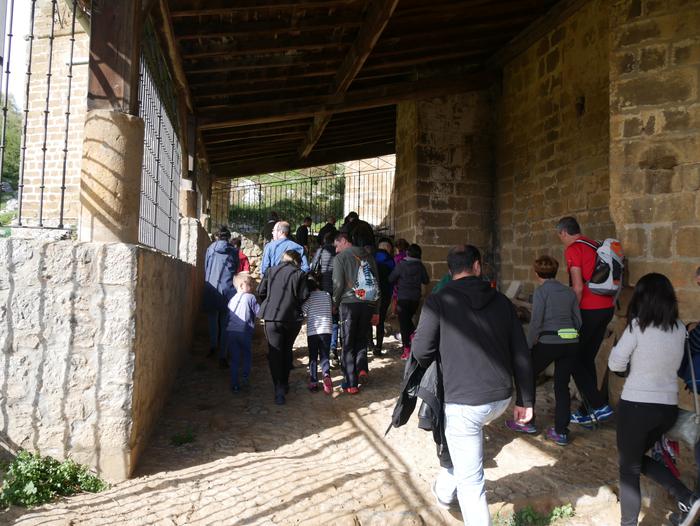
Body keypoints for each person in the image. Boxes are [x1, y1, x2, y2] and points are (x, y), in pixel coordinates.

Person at [412, 245, 534, 524]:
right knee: (464, 449)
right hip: (500, 398)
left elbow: (421, 351)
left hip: (463, 401)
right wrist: (525, 400)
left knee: (471, 481)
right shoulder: (502, 302)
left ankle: (451, 498)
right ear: (477, 267)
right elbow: (521, 353)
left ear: (450, 270)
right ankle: (443, 493)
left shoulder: (438, 301)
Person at [608, 273, 700, 526]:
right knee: (634, 459)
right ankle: (687, 498)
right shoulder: (679, 328)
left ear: (642, 298)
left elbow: (615, 363)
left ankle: (630, 522)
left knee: (629, 468)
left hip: (636, 407)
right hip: (667, 409)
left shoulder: (637, 327)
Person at [505, 255, 581, 446]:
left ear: (537, 273)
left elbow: (536, 323)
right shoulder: (569, 292)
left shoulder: (541, 292)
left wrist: (528, 346)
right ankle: (561, 432)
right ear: (555, 271)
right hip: (571, 343)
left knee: (526, 375)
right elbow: (578, 321)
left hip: (549, 342)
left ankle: (526, 422)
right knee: (561, 385)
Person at [556, 216, 614, 426]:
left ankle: (599, 405)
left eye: (560, 236)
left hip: (589, 310)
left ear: (564, 232)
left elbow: (578, 287)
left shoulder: (573, 249)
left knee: (572, 358)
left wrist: (572, 313)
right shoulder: (594, 244)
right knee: (586, 358)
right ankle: (587, 410)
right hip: (607, 308)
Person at [257, 250, 309, 405]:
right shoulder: (299, 274)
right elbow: (304, 295)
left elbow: (260, 291)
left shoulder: (270, 271)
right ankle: (285, 382)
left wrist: (270, 303)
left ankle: (278, 387)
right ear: (297, 261)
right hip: (292, 318)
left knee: (275, 352)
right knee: (287, 349)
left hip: (272, 317)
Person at [332, 232, 380, 394]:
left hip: (348, 304)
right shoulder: (369, 256)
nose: (336, 250)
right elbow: (376, 283)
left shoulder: (340, 258)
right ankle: (361, 368)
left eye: (337, 245)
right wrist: (376, 309)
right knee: (361, 339)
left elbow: (338, 284)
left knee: (347, 342)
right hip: (367, 304)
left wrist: (334, 303)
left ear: (344, 241)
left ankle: (351, 383)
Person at [203, 227, 239, 368]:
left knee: (212, 319)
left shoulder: (210, 249)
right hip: (227, 289)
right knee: (225, 323)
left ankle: (213, 346)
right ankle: (223, 355)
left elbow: (206, 268)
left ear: (218, 236)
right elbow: (236, 270)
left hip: (212, 287)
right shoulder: (233, 251)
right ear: (228, 237)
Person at [389, 243, 430, 360]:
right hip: (415, 299)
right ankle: (413, 336)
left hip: (403, 298)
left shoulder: (401, 265)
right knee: (407, 321)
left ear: (408, 253)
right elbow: (426, 280)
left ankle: (406, 349)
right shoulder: (420, 266)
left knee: (404, 324)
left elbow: (391, 278)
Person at [225, 273, 259, 392]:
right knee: (246, 355)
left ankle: (234, 384)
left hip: (231, 332)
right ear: (241, 285)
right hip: (244, 331)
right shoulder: (251, 297)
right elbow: (258, 312)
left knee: (234, 358)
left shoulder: (232, 299)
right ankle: (245, 377)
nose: (251, 287)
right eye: (249, 285)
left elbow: (228, 316)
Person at [302, 277, 334, 395]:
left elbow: (303, 311)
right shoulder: (327, 295)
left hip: (313, 332)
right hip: (327, 330)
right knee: (325, 355)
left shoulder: (309, 298)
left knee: (313, 357)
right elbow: (330, 308)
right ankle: (326, 375)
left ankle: (314, 382)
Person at [310, 232, 339, 359]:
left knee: (324, 318)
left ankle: (323, 348)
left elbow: (313, 267)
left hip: (323, 289)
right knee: (335, 319)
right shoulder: (339, 251)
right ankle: (333, 348)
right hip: (337, 288)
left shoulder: (321, 251)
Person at [373, 238, 395, 356]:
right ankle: (378, 347)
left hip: (371, 293)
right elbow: (393, 278)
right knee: (380, 321)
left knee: (368, 318)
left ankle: (369, 343)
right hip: (385, 293)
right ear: (388, 247)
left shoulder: (371, 257)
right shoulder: (390, 261)